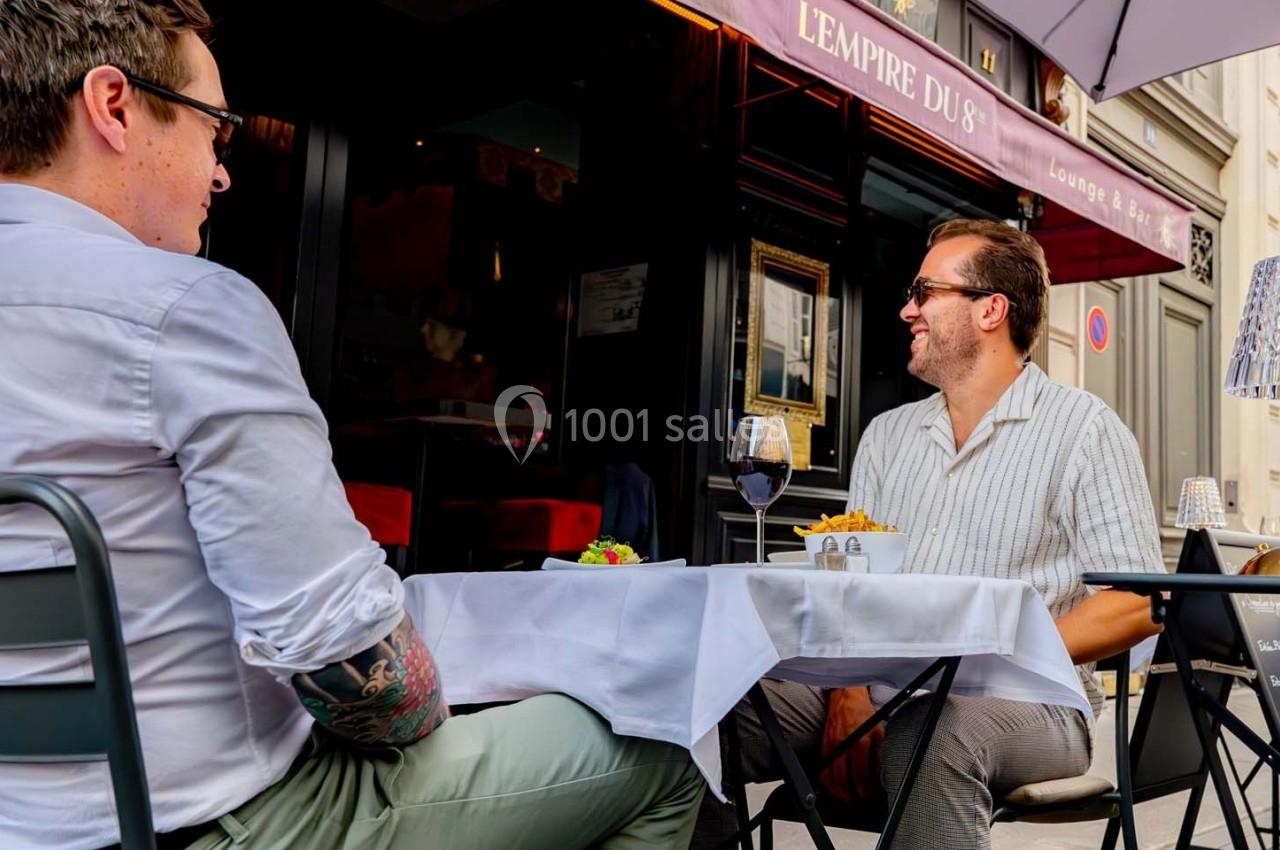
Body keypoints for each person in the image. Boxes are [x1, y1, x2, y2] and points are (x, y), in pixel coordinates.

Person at [0, 2, 703, 848]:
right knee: (666, 756)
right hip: (214, 821)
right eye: (213, 131)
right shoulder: (183, 310)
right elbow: (353, 669)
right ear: (113, 106)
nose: (221, 174)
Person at [690, 219, 1165, 850]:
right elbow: (846, 586)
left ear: (991, 309)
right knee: (706, 709)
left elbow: (1137, 602)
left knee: (932, 729)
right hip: (881, 687)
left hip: (1036, 703)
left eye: (925, 292)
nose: (906, 308)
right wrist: (848, 690)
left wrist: (980, 652)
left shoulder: (1084, 430)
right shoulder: (887, 436)